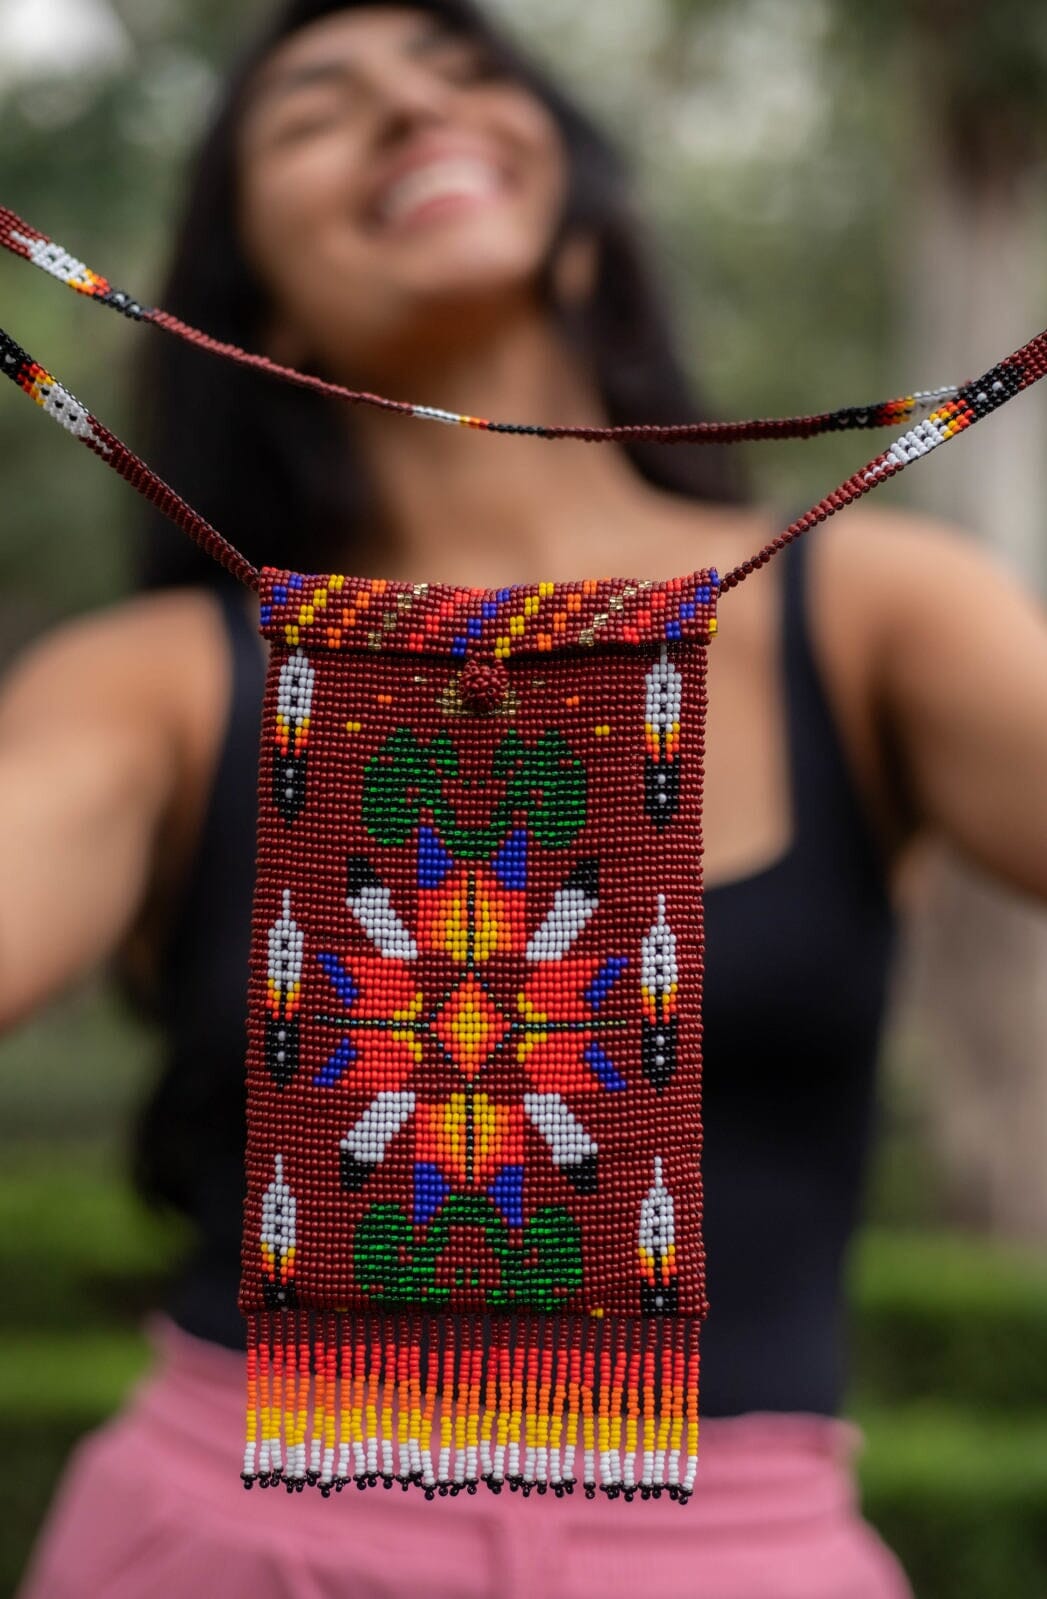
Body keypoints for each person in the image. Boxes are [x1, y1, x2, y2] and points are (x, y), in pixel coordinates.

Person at [7, 2, 1047, 1595]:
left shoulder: (880, 611)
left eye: (467, 73)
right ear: (248, 312)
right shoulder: (153, 684)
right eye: (316, 112)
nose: (418, 110)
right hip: (221, 1547)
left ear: (580, 223)